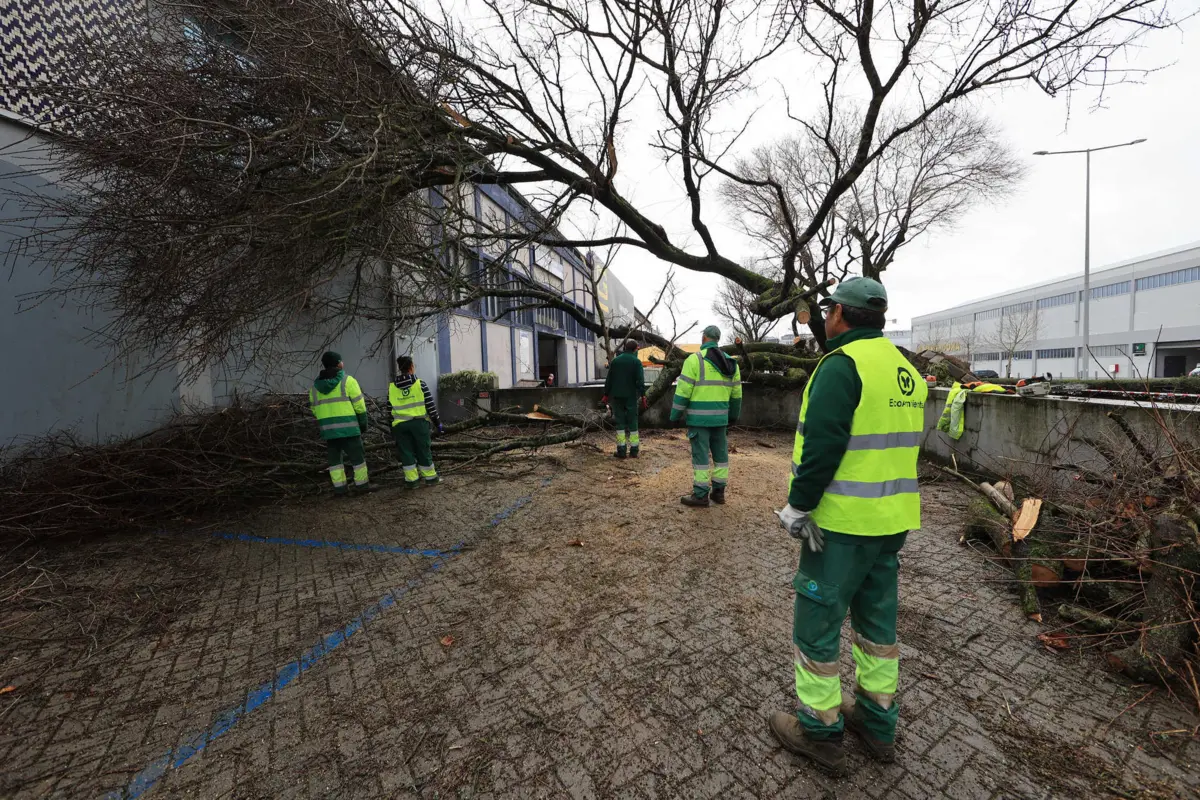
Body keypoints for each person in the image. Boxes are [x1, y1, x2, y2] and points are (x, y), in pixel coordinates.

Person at [769, 277, 927, 774]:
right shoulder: (906, 369)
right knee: (877, 626)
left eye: (829, 310)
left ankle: (819, 731)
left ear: (839, 313)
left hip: (840, 526)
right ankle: (879, 725)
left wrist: (798, 506)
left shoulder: (842, 366)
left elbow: (823, 445)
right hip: (891, 522)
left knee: (816, 627)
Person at [670, 325, 742, 507]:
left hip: (699, 419)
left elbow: (683, 391)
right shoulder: (732, 364)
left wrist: (675, 415)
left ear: (703, 338)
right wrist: (732, 417)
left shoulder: (694, 360)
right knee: (721, 455)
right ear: (718, 339)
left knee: (701, 457)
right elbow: (737, 396)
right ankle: (719, 492)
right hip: (721, 420)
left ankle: (701, 495)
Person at [309, 351, 377, 497]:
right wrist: (363, 424)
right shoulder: (348, 381)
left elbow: (314, 409)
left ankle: (340, 489)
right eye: (341, 361)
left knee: (335, 462)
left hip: (329, 431)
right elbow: (360, 406)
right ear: (338, 363)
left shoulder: (315, 388)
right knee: (357, 459)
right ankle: (362, 486)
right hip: (350, 429)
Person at [390, 355, 444, 489]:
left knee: (406, 452)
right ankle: (430, 478)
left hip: (400, 426)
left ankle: (412, 481)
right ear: (411, 367)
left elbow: (388, 411)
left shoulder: (392, 387)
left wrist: (391, 428)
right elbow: (431, 407)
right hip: (419, 424)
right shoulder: (420, 384)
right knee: (423, 450)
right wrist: (438, 423)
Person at [601, 339, 647, 458]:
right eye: (637, 349)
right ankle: (634, 450)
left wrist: (606, 395)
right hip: (631, 396)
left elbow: (609, 379)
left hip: (617, 397)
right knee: (632, 423)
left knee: (620, 424)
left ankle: (621, 451)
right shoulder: (636, 362)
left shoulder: (616, 361)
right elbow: (640, 381)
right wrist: (643, 395)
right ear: (634, 349)